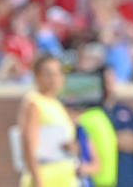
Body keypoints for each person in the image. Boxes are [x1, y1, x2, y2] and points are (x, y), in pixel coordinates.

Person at [17, 55, 79, 187]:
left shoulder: (56, 103)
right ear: (37, 75)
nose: (55, 79)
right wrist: (38, 182)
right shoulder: (34, 102)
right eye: (48, 74)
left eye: (58, 73)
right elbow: (28, 145)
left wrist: (71, 147)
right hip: (45, 177)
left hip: (64, 176)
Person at [101, 66, 133, 187]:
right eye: (105, 79)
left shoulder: (125, 109)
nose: (109, 83)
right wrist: (114, 140)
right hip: (107, 176)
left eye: (112, 78)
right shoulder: (94, 111)